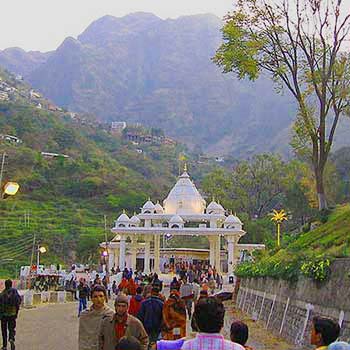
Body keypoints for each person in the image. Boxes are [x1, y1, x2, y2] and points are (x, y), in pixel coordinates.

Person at [78, 285, 114, 350]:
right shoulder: (85, 315)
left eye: (101, 296)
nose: (98, 299)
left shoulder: (110, 315)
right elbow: (82, 337)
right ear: (91, 298)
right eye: (95, 297)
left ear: (105, 297)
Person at [0, 280, 21, 350]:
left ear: (5, 285)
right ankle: (11, 338)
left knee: (4, 330)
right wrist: (16, 312)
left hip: (4, 316)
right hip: (12, 314)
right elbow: (18, 302)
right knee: (11, 328)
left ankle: (5, 346)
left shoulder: (2, 293)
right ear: (11, 285)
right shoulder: (15, 292)